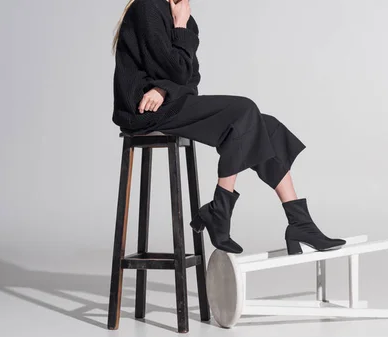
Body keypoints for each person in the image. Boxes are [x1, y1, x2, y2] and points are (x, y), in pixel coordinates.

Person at [112, 0, 345, 255]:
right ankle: (219, 210)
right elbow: (178, 71)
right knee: (244, 110)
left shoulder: (185, 17)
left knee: (266, 125)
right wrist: (179, 29)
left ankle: (300, 223)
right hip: (144, 110)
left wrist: (164, 88)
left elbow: (191, 78)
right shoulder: (148, 7)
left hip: (171, 102)